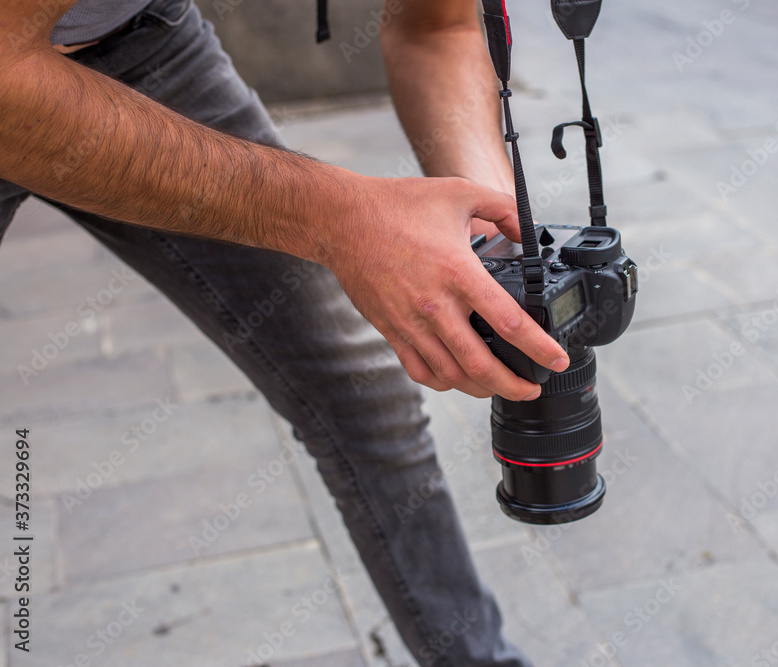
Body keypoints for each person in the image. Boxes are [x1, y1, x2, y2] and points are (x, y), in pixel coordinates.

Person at [0, 0, 570, 664]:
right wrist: (338, 218)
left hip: (142, 40)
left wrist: (496, 244)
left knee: (363, 397)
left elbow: (434, 26)